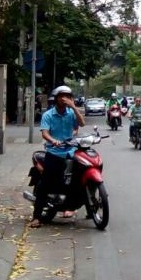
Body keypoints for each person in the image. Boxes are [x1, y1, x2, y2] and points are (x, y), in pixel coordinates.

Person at [30, 85, 86, 228]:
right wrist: (53, 140)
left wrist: (74, 107)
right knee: (45, 184)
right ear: (56, 99)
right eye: (61, 96)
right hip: (54, 152)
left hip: (71, 151)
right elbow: (45, 133)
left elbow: (82, 123)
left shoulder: (71, 113)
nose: (64, 99)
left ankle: (86, 208)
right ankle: (36, 217)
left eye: (67, 96)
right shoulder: (48, 115)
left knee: (80, 178)